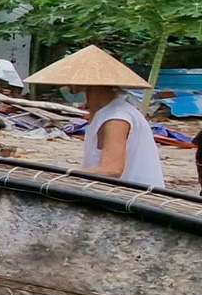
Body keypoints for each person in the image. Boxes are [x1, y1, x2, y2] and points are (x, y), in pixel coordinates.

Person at [25, 44, 163, 189]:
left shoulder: (117, 118)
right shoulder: (103, 113)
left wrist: (60, 174)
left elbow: (112, 170)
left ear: (85, 85)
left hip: (134, 198)